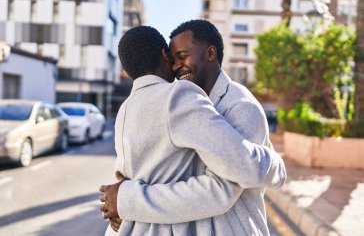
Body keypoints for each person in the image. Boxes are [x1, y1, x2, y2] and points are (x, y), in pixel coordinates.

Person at [100, 24, 286, 236]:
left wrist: (127, 201)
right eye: (173, 58)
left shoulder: (242, 106)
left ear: (210, 53)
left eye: (182, 56)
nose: (176, 66)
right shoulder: (176, 99)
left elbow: (222, 188)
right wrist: (123, 205)